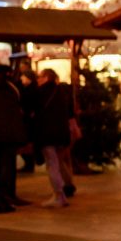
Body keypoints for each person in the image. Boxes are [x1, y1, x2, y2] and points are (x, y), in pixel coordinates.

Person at [34, 68, 76, 208]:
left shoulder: (40, 93)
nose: (38, 80)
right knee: (58, 163)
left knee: (52, 165)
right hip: (62, 134)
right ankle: (64, 191)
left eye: (40, 77)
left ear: (46, 77)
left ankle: (59, 195)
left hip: (47, 134)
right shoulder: (62, 92)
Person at [0, 66, 27, 214]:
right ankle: (4, 199)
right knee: (6, 169)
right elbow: (19, 112)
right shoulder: (12, 89)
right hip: (9, 138)